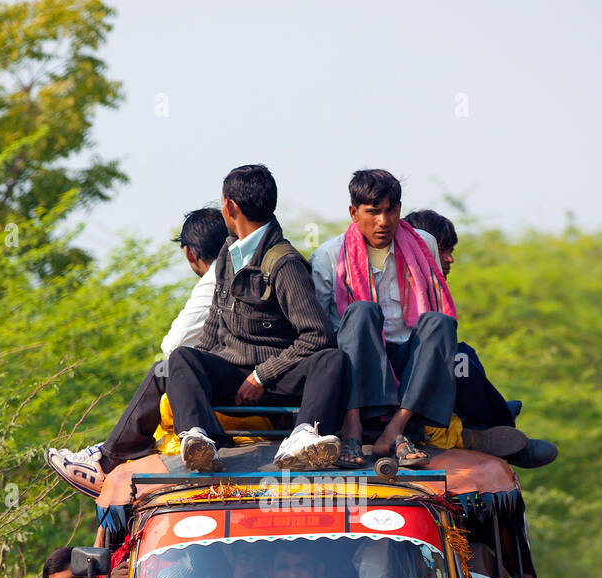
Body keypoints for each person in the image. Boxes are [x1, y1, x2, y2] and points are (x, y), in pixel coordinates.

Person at [45, 165, 349, 495]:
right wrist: (191, 373)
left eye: (222, 203)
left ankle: (305, 436)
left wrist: (261, 375)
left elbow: (318, 334)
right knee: (181, 358)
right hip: (232, 373)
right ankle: (199, 439)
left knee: (332, 359)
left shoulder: (284, 262)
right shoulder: (228, 253)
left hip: (277, 379)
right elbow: (213, 328)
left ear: (230, 207)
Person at [312, 169, 524, 468]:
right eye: (373, 212)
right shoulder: (328, 256)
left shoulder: (422, 242)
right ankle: (353, 426)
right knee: (362, 312)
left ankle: (396, 429)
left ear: (399, 209)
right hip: (358, 364)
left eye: (390, 210)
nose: (383, 222)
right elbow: (321, 332)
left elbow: (435, 301)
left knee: (441, 323)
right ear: (354, 212)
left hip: (410, 358)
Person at [405, 208, 557, 470]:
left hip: (427, 382)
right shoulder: (385, 284)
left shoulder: (433, 291)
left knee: (462, 354)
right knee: (460, 359)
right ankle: (501, 430)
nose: (450, 259)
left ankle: (495, 431)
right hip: (402, 387)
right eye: (442, 250)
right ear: (420, 247)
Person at [160, 207, 229, 355]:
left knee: (161, 370)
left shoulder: (215, 278)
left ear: (189, 253)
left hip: (243, 373)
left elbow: (174, 344)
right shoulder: (249, 266)